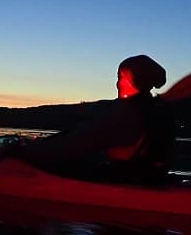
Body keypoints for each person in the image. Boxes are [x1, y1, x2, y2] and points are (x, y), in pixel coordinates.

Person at [12, 55, 175, 185]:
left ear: (137, 81)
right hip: (151, 179)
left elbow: (76, 142)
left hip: (127, 180)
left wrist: (24, 151)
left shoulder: (125, 114)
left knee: (60, 164)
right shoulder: (156, 109)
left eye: (121, 77)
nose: (118, 84)